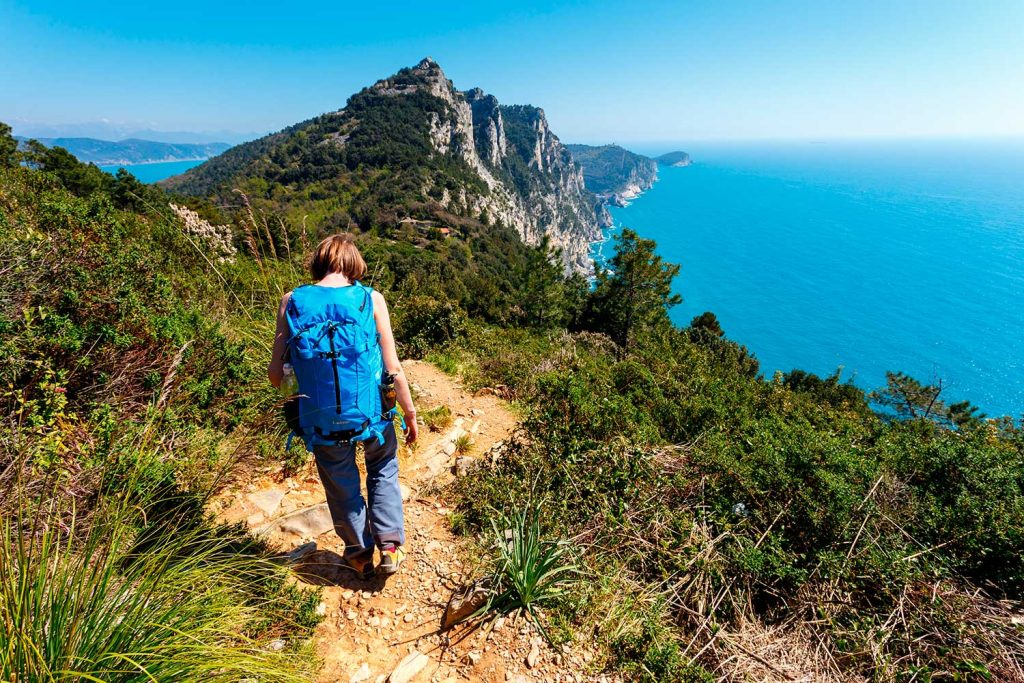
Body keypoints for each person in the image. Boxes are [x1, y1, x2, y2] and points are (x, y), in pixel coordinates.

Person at [268, 234, 418, 578]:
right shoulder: (370, 299)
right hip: (373, 417)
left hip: (320, 421)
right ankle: (391, 547)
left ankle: (359, 552)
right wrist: (409, 414)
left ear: (318, 263)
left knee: (340, 482)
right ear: (353, 265)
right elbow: (393, 368)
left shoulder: (292, 301)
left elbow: (276, 374)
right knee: (383, 468)